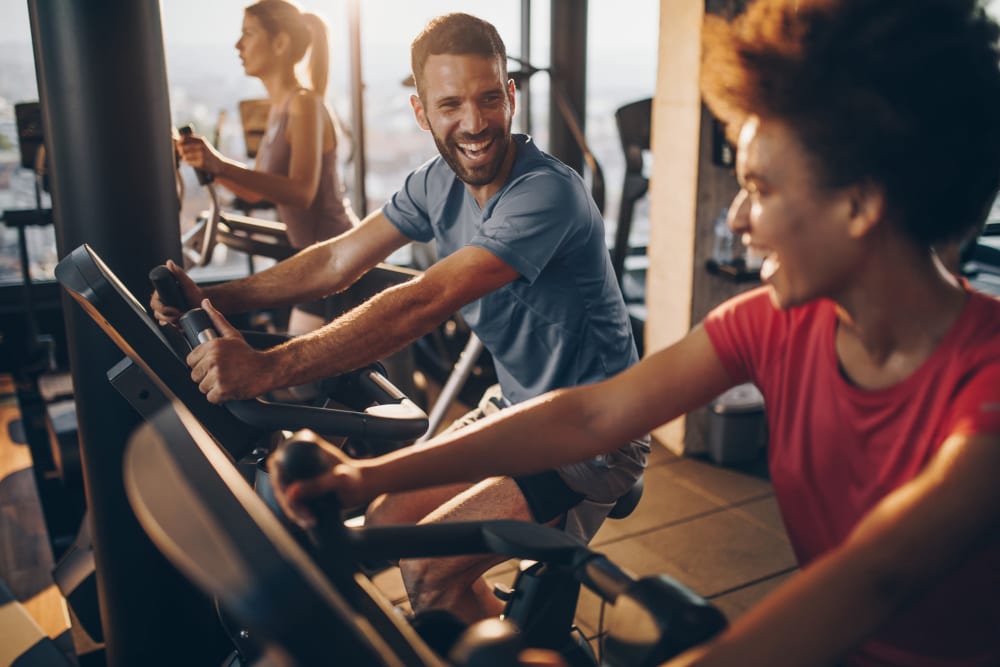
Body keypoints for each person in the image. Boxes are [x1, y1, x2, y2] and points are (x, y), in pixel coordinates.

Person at [271, 1, 1000, 665]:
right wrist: (367, 477)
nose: (739, 219)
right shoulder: (773, 325)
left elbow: (880, 577)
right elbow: (592, 412)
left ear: (860, 204)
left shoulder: (988, 379)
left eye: (763, 189)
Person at [154, 13, 648, 627]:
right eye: (451, 105)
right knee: (388, 520)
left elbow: (423, 301)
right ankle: (510, 640)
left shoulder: (548, 193)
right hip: (516, 409)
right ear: (421, 112)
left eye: (489, 98)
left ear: (511, 97)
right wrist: (213, 299)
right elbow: (336, 260)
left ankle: (529, 650)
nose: (474, 123)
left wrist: (266, 368)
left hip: (593, 438)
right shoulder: (434, 184)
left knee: (427, 570)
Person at [175, 0, 358, 334]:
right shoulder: (278, 108)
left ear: (280, 43)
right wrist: (209, 166)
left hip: (334, 256)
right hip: (310, 257)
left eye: (248, 34)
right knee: (304, 379)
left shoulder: (304, 104)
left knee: (303, 379)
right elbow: (256, 192)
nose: (238, 45)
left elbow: (302, 192)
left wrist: (220, 163)